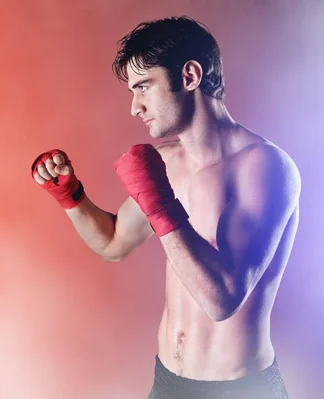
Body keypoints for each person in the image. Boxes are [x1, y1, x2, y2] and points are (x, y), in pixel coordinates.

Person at [30, 16, 299, 399]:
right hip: (169, 383)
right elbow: (113, 244)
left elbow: (223, 299)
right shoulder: (167, 162)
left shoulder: (265, 166)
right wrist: (71, 196)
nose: (134, 107)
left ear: (189, 76)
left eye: (143, 87)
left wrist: (158, 205)